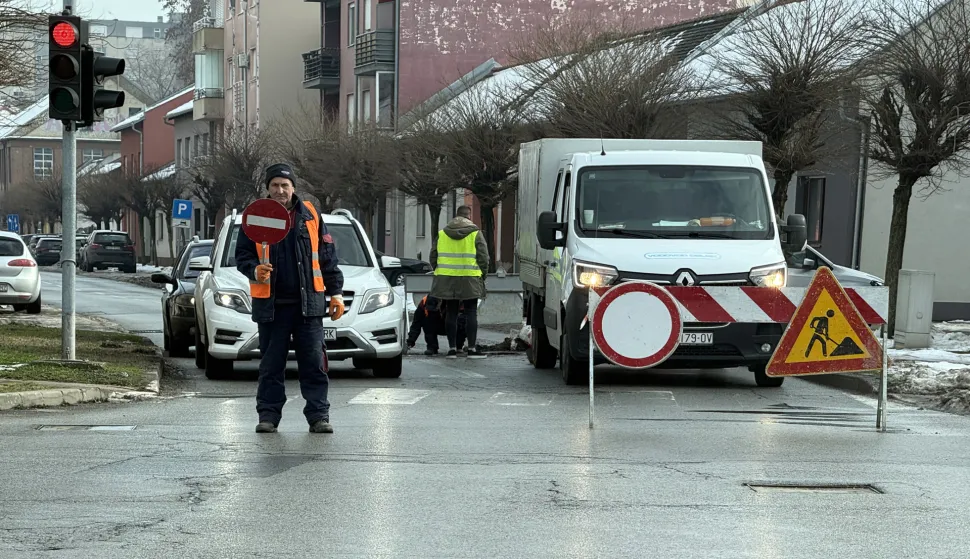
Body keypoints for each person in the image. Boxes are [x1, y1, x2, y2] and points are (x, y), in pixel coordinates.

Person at [235, 163, 345, 434]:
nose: (280, 190)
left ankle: (319, 416)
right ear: (268, 189)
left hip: (309, 306)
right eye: (275, 185)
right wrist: (254, 270)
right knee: (271, 366)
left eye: (285, 185)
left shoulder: (310, 215)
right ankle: (268, 416)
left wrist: (336, 293)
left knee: (314, 364)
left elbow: (327, 257)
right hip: (272, 307)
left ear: (293, 188)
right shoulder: (256, 215)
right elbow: (242, 256)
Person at [429, 205, 489, 359]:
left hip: (446, 278)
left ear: (456, 216)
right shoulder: (475, 233)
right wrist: (483, 274)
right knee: (471, 312)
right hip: (470, 277)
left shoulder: (442, 233)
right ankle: (472, 348)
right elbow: (483, 257)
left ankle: (452, 348)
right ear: (469, 216)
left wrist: (438, 270)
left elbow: (433, 255)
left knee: (451, 312)